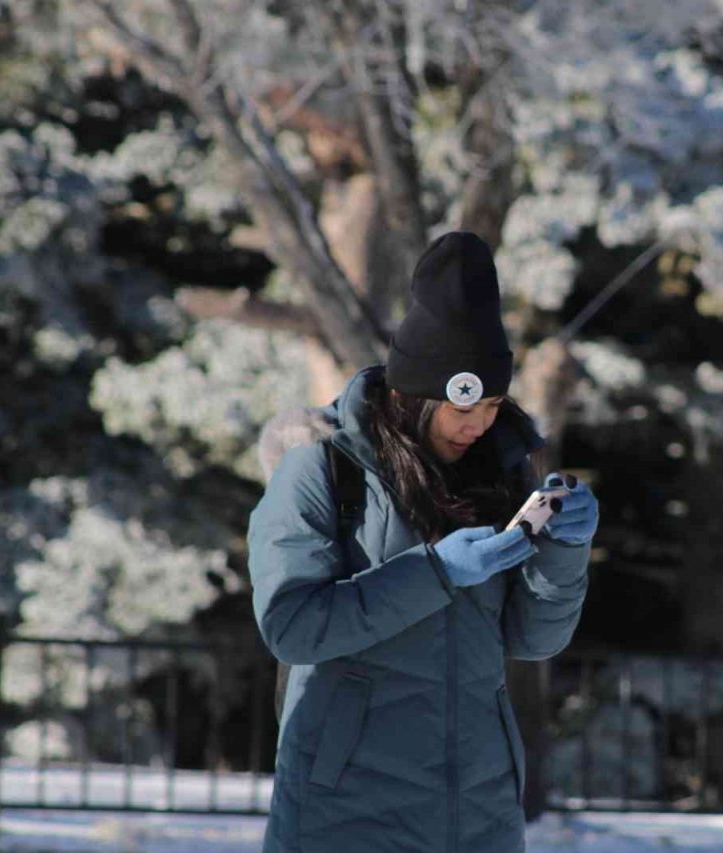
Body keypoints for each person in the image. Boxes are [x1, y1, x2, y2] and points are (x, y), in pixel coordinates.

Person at [248, 231, 598, 853]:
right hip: (345, 816)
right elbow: (292, 627)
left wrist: (564, 551)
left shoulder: (504, 471)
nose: (479, 424)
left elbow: (533, 639)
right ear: (412, 394)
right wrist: (434, 572)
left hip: (480, 817)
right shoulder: (320, 469)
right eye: (463, 407)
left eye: (494, 404)